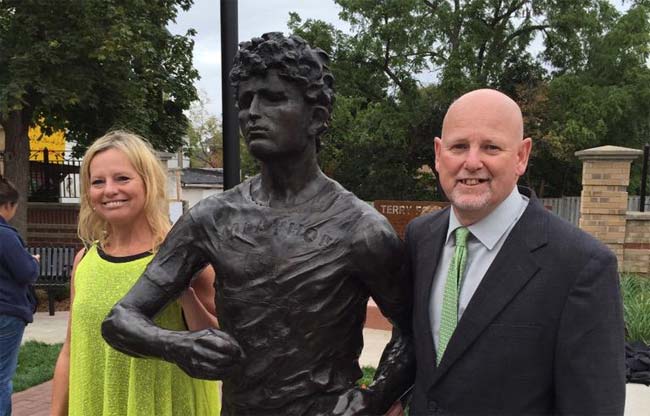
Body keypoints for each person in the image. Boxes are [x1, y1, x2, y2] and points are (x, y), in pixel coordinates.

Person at [101, 33, 414, 416]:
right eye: (245, 100)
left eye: (273, 98)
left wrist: (374, 398)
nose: (252, 113)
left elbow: (413, 332)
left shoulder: (361, 230)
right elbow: (121, 319)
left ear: (316, 117)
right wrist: (177, 345)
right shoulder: (212, 217)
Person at [405, 88, 626, 415]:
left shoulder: (581, 266)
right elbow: (418, 352)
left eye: (491, 147)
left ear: (521, 156)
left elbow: (594, 406)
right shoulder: (419, 237)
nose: (472, 162)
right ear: (439, 154)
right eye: (459, 146)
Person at [50, 131, 220, 416]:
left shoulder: (186, 258)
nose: (109, 190)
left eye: (122, 178)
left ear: (148, 182)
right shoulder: (85, 261)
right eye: (97, 182)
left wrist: (184, 291)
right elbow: (71, 348)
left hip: (169, 406)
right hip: (94, 404)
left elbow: (218, 344)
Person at [0, 176, 40, 416]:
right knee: (2, 377)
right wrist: (33, 262)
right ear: (7, 205)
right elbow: (24, 272)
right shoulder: (5, 234)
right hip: (6, 312)